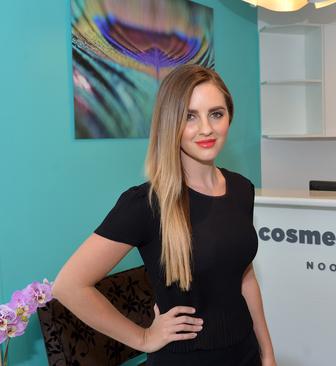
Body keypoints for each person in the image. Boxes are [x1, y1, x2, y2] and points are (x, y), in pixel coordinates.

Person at [53, 64, 276, 366]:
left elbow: (244, 275)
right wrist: (142, 338)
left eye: (216, 114)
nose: (207, 129)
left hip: (245, 352)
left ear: (229, 117)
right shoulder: (145, 204)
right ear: (170, 124)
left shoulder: (241, 189)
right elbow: (69, 286)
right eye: (189, 116)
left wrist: (267, 351)